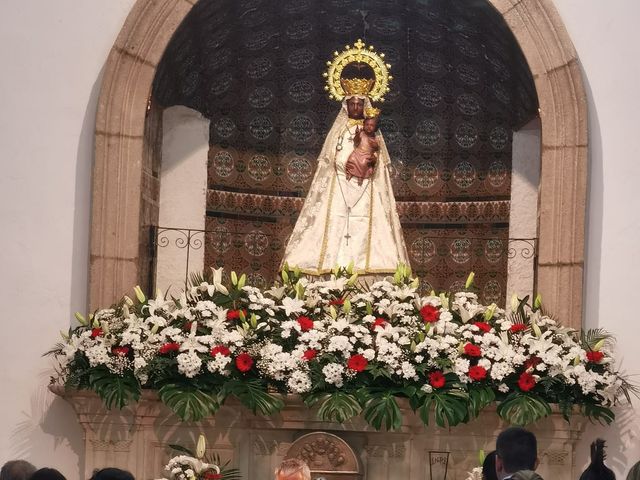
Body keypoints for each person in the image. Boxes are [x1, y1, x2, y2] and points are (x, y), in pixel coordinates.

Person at [281, 80, 409, 275]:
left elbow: (378, 160)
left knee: (368, 226)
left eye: (359, 104)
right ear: (346, 105)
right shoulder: (339, 130)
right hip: (339, 184)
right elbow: (330, 158)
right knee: (333, 221)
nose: (356, 107)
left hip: (367, 187)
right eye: (352, 103)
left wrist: (368, 165)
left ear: (365, 106)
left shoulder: (373, 132)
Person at [345, 108, 380, 185]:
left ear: (375, 128)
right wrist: (357, 134)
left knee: (364, 163)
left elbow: (377, 148)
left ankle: (361, 176)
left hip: (366, 155)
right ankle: (350, 173)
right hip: (357, 152)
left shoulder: (374, 138)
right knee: (352, 159)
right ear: (363, 125)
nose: (369, 127)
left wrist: (373, 144)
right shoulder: (361, 134)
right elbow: (355, 141)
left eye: (372, 125)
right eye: (367, 124)